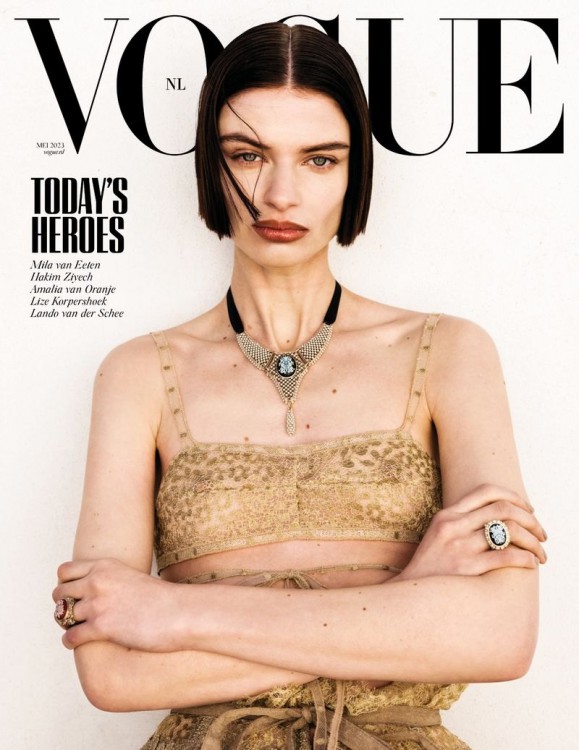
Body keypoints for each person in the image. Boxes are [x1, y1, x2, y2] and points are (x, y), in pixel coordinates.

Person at [52, 23, 546, 750]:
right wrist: (410, 602)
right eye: (247, 155)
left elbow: (500, 637)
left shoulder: (449, 352)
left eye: (319, 159)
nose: (280, 194)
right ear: (210, 166)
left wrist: (169, 612)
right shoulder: (137, 373)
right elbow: (112, 672)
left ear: (354, 173)